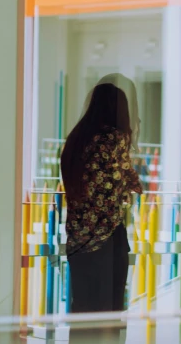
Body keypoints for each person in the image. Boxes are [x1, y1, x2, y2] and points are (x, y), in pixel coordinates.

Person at [61, 81, 143, 340]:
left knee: (83, 308)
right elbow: (126, 179)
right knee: (109, 309)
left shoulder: (77, 137)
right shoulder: (113, 138)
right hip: (106, 236)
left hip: (78, 237)